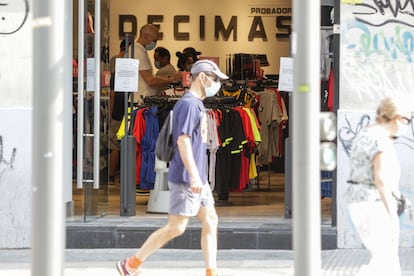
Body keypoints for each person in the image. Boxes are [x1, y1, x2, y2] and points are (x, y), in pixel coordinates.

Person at [116, 60, 229, 276]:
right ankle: (132, 263)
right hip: (187, 177)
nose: (217, 84)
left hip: (197, 177)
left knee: (211, 220)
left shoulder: (196, 104)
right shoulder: (188, 105)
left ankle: (211, 271)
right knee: (176, 227)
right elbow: (183, 140)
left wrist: (199, 177)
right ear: (202, 77)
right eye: (214, 79)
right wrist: (195, 176)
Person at [346, 96, 413, 276]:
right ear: (395, 117)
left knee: (381, 260)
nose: (406, 125)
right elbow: (381, 179)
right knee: (387, 261)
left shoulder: (366, 133)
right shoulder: (380, 139)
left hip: (361, 201)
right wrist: (392, 213)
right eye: (406, 120)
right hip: (374, 204)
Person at [134, 24, 181, 103]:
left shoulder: (140, 51)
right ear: (146, 36)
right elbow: (150, 80)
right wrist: (172, 79)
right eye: (154, 40)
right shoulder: (138, 52)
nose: (155, 43)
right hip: (141, 100)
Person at [108, 39, 130, 181]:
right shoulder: (134, 71)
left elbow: (112, 95)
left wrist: (110, 114)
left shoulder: (116, 73)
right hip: (130, 110)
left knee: (115, 143)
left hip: (117, 111)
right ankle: (127, 174)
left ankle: (110, 174)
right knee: (129, 142)